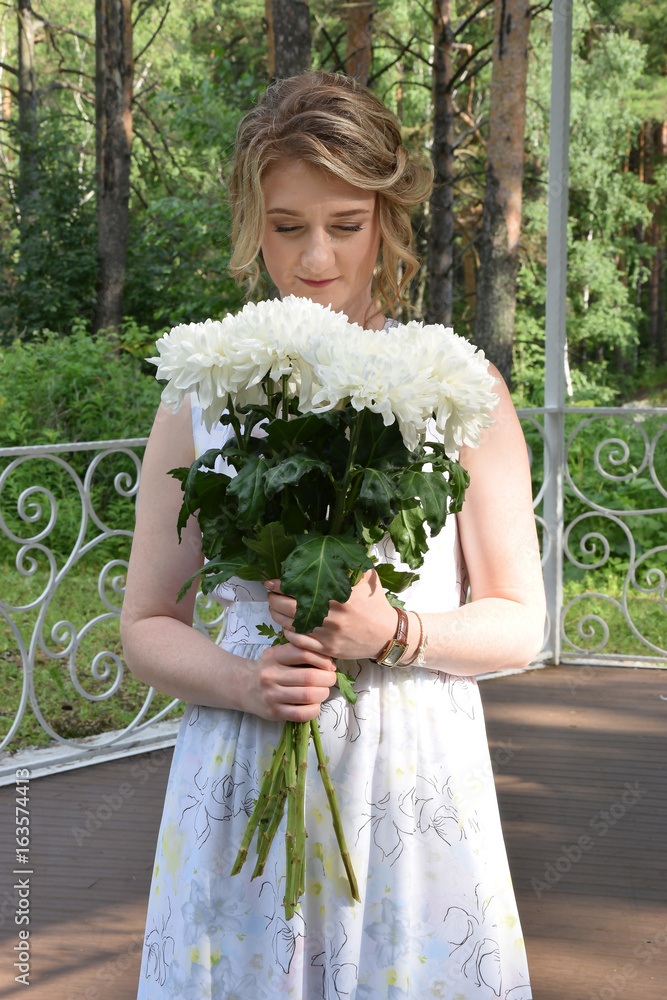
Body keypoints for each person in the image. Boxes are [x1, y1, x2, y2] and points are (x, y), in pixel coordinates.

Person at [121, 71, 545, 1000]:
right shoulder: (203, 395)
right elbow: (146, 622)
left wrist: (398, 632)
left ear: (387, 223)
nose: (315, 256)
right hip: (241, 765)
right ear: (252, 223)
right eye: (286, 225)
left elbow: (520, 621)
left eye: (344, 225)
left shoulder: (455, 387)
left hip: (407, 778)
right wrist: (245, 681)